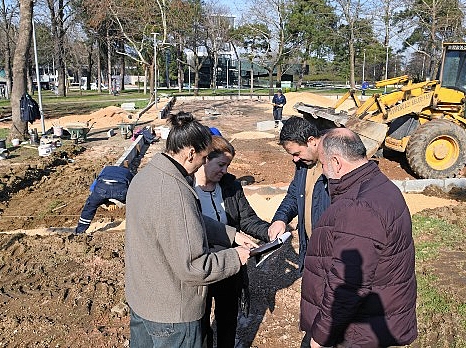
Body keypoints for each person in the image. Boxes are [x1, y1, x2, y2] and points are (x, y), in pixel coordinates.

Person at [125, 111, 257, 348]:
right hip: (172, 315)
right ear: (191, 153)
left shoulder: (146, 176)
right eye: (205, 157)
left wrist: (231, 234)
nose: (204, 164)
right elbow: (195, 267)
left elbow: (185, 222)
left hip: (142, 302)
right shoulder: (176, 191)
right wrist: (235, 257)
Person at [300, 128, 418, 348]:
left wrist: (322, 336)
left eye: (323, 165)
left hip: (355, 332)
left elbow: (348, 283)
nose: (323, 172)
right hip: (372, 322)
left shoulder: (359, 207)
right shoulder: (380, 185)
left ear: (336, 162)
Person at [194, 135, 271, 348]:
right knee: (199, 323)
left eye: (228, 165)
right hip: (202, 265)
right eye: (221, 164)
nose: (225, 171)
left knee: (228, 319)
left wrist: (269, 232)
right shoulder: (186, 190)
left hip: (230, 264)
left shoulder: (230, 186)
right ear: (204, 159)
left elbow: (247, 218)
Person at [267, 116, 331, 270]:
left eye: (297, 153)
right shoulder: (303, 165)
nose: (295, 160)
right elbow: (294, 196)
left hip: (331, 257)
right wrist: (281, 219)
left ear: (311, 141)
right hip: (310, 251)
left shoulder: (336, 166)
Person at [74, 165, 134, 234]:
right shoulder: (127, 172)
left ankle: (80, 231)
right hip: (120, 189)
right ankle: (135, 224)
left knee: (89, 208)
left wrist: (104, 202)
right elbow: (133, 189)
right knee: (133, 203)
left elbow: (93, 188)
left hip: (102, 187)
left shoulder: (106, 169)